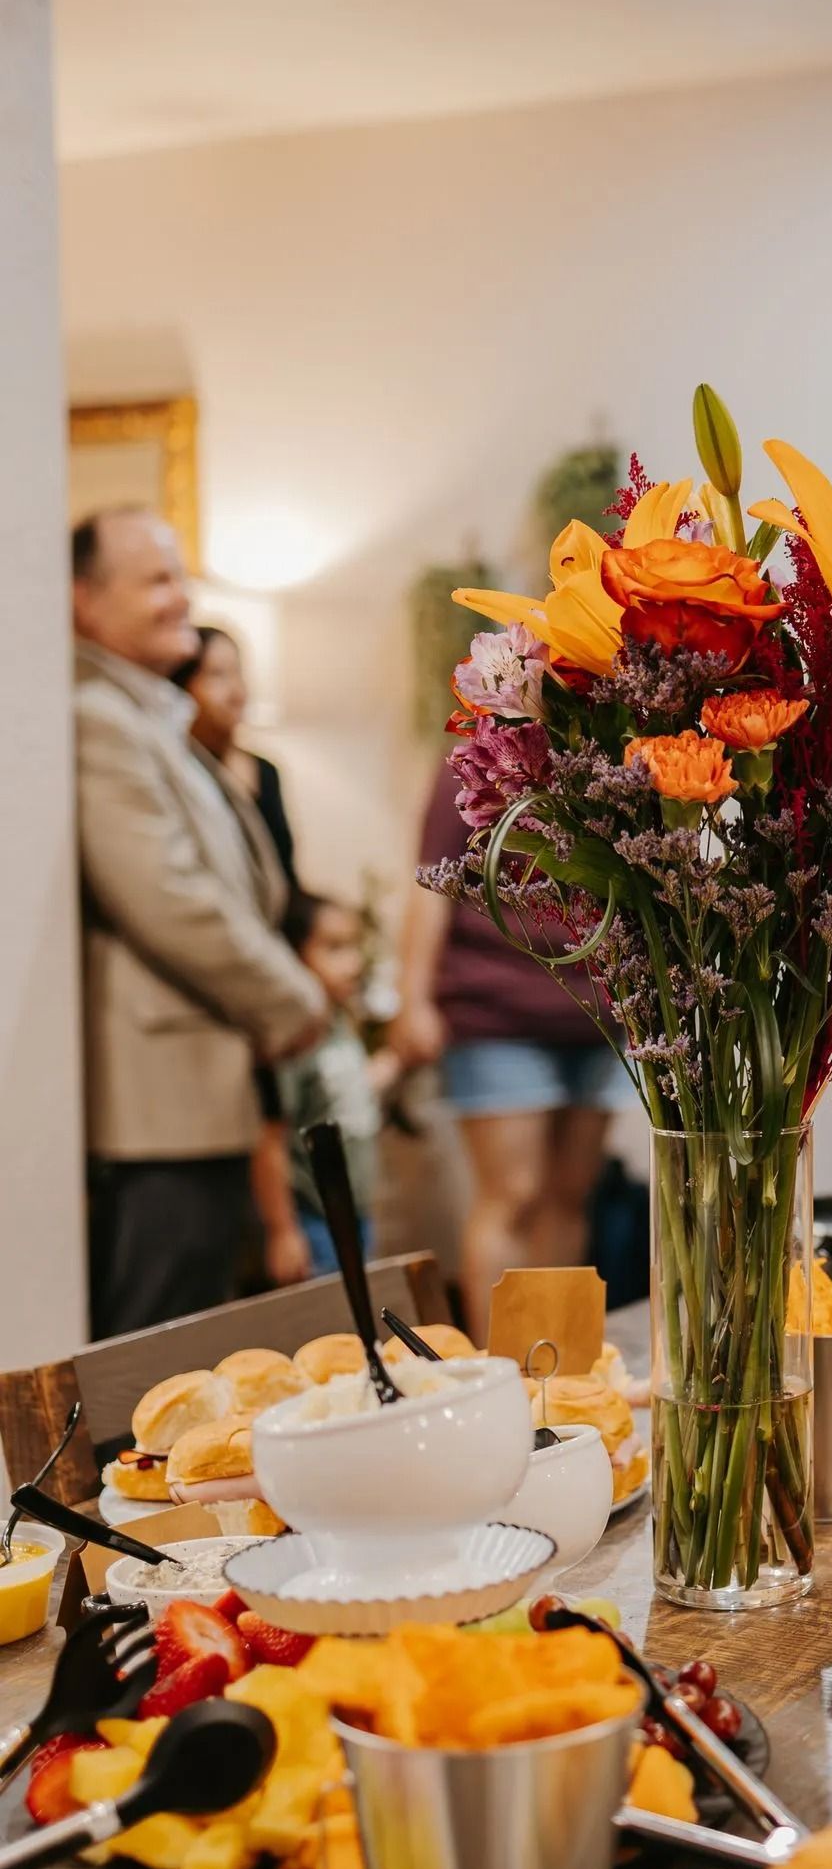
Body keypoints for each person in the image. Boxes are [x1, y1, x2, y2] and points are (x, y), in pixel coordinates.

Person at [72, 506, 327, 1336]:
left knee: (191, 1345)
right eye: (155, 580)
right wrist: (292, 999)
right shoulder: (96, 719)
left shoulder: (149, 714)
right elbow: (167, 897)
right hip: (158, 1108)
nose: (180, 598)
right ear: (85, 600)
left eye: (179, 577)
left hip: (205, 1091)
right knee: (150, 1361)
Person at [390, 758, 632, 1320]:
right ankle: (506, 1374)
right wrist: (413, 998)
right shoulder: (469, 768)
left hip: (598, 1013)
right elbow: (431, 884)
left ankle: (559, 1369)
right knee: (513, 1196)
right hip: (495, 1013)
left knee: (570, 1200)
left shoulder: (604, 755)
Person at [255, 893, 397, 1283]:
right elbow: (269, 1139)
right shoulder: (296, 1037)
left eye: (354, 947)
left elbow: (341, 1095)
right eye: (334, 948)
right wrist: (283, 1230)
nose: (353, 964)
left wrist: (398, 1060)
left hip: (355, 1213)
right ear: (293, 955)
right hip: (314, 1220)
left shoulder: (336, 1023)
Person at [171, 625, 299, 895]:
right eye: (217, 675)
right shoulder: (180, 772)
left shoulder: (265, 772)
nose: (236, 692)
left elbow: (287, 877)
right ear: (183, 687)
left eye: (238, 673)